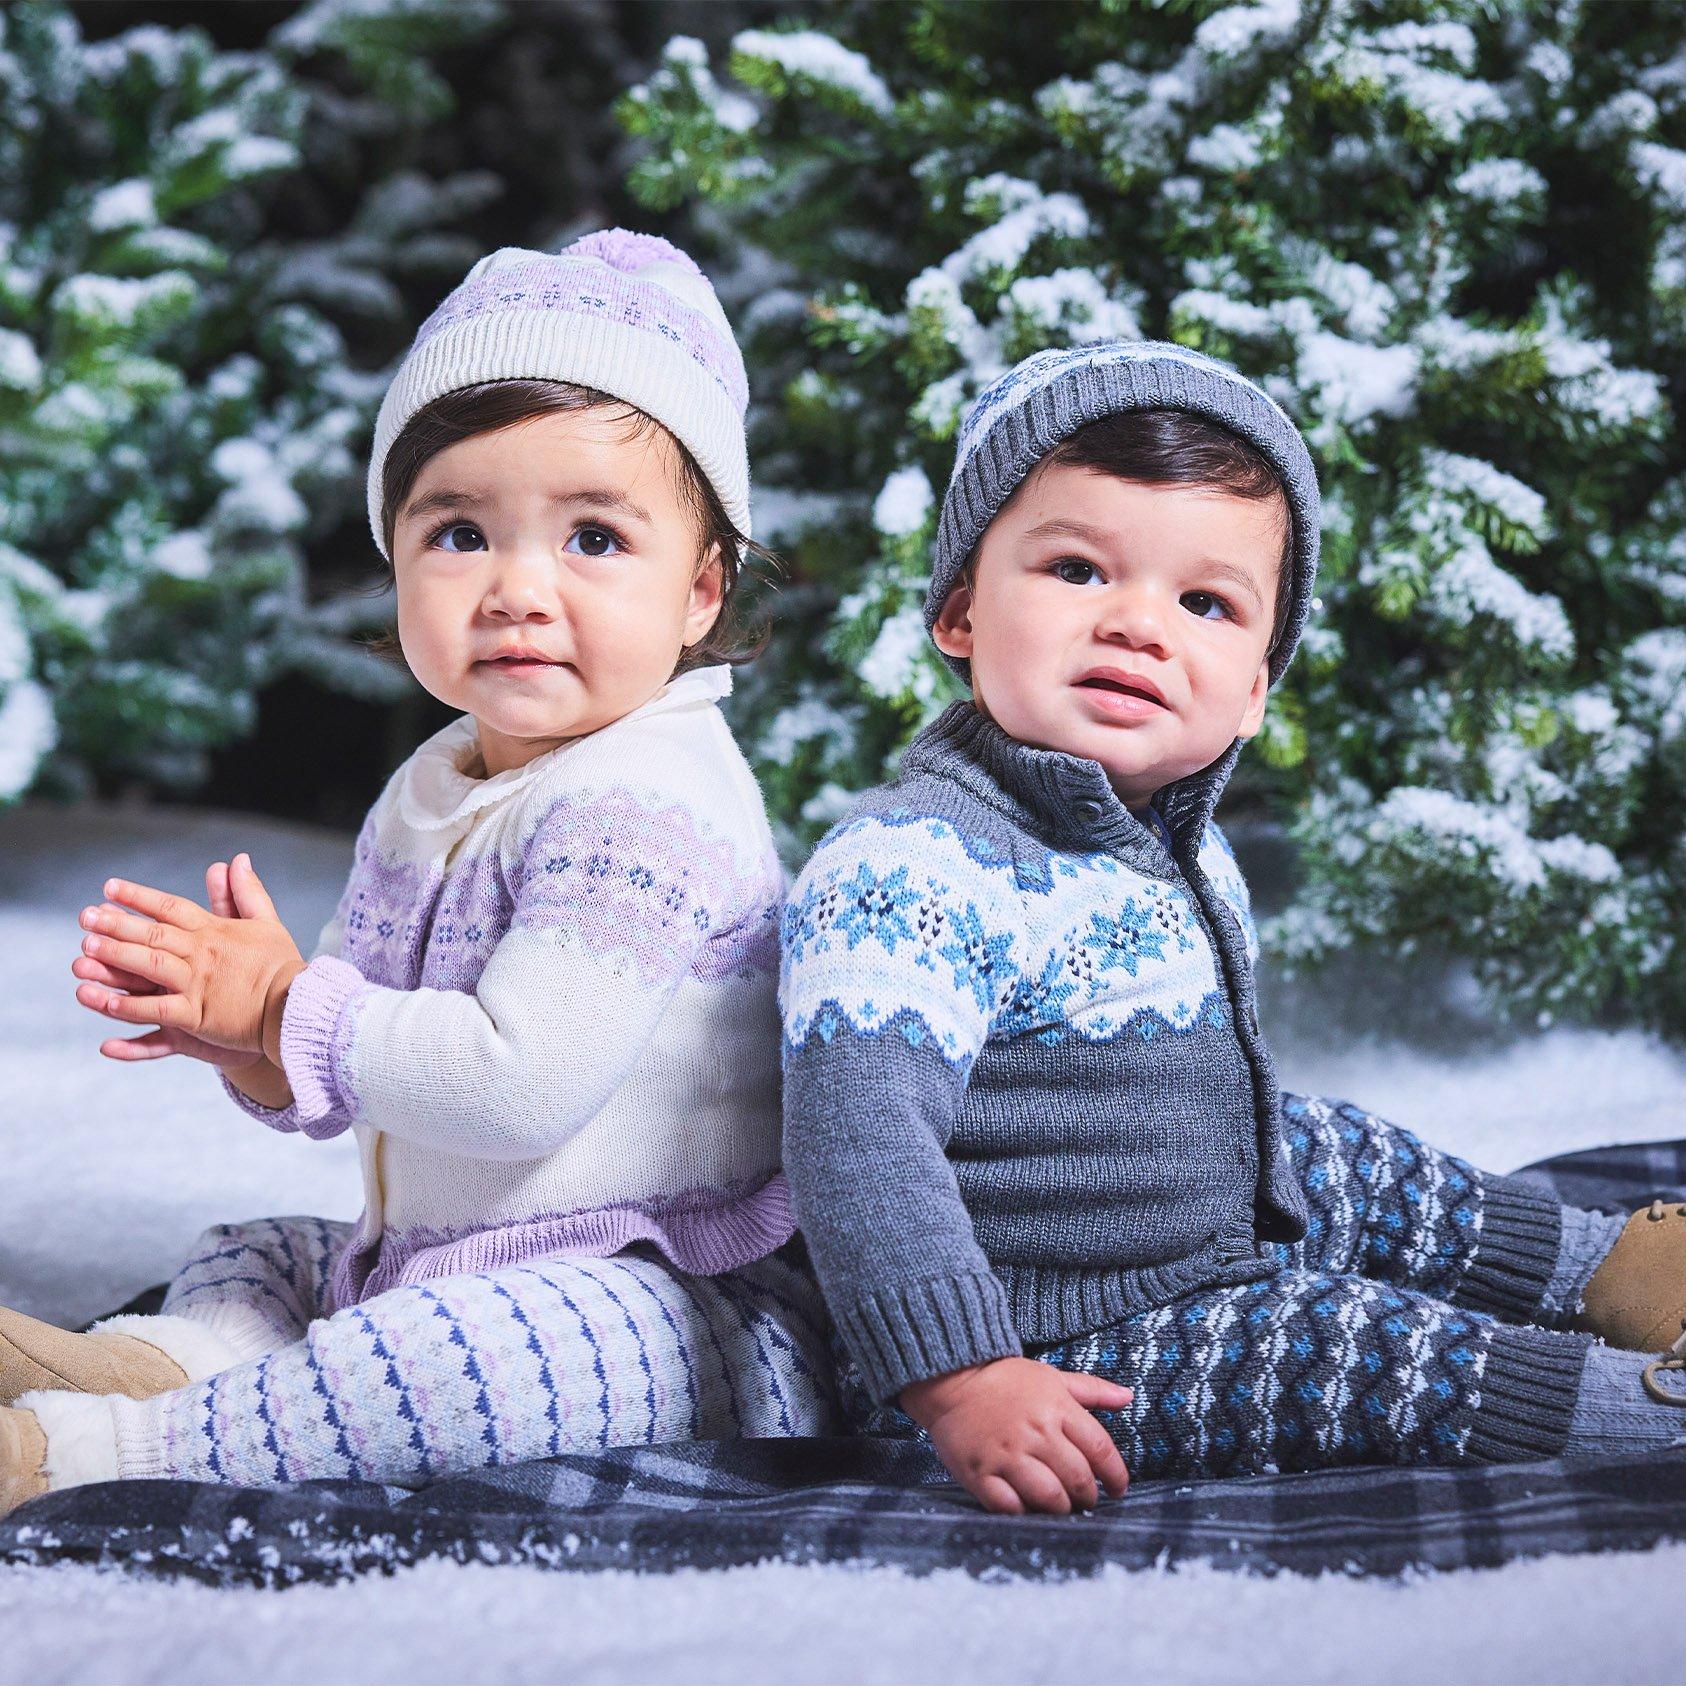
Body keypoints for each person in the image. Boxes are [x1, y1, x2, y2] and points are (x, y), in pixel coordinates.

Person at [0, 230, 836, 1517]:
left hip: (669, 1287)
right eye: (458, 531)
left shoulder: (649, 796)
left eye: (596, 540)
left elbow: (518, 1085)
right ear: (395, 562)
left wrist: (291, 1008)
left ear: (701, 590)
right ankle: (146, 1367)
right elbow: (369, 1051)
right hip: (447, 1253)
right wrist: (256, 1044)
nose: (516, 589)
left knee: (440, 1365)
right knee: (266, 1252)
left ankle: (99, 1454)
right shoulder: (439, 783)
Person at [777, 339, 1686, 1517]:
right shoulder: (908, 863)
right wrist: (962, 1380)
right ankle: (1623, 1404)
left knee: (1345, 1154)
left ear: (1257, 685)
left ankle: (1615, 1268)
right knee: (1357, 1348)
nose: (1138, 627)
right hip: (1057, 1347)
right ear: (959, 611)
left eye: (1204, 602)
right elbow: (857, 1142)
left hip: (1196, 1235)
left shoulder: (1185, 847)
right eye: (1075, 570)